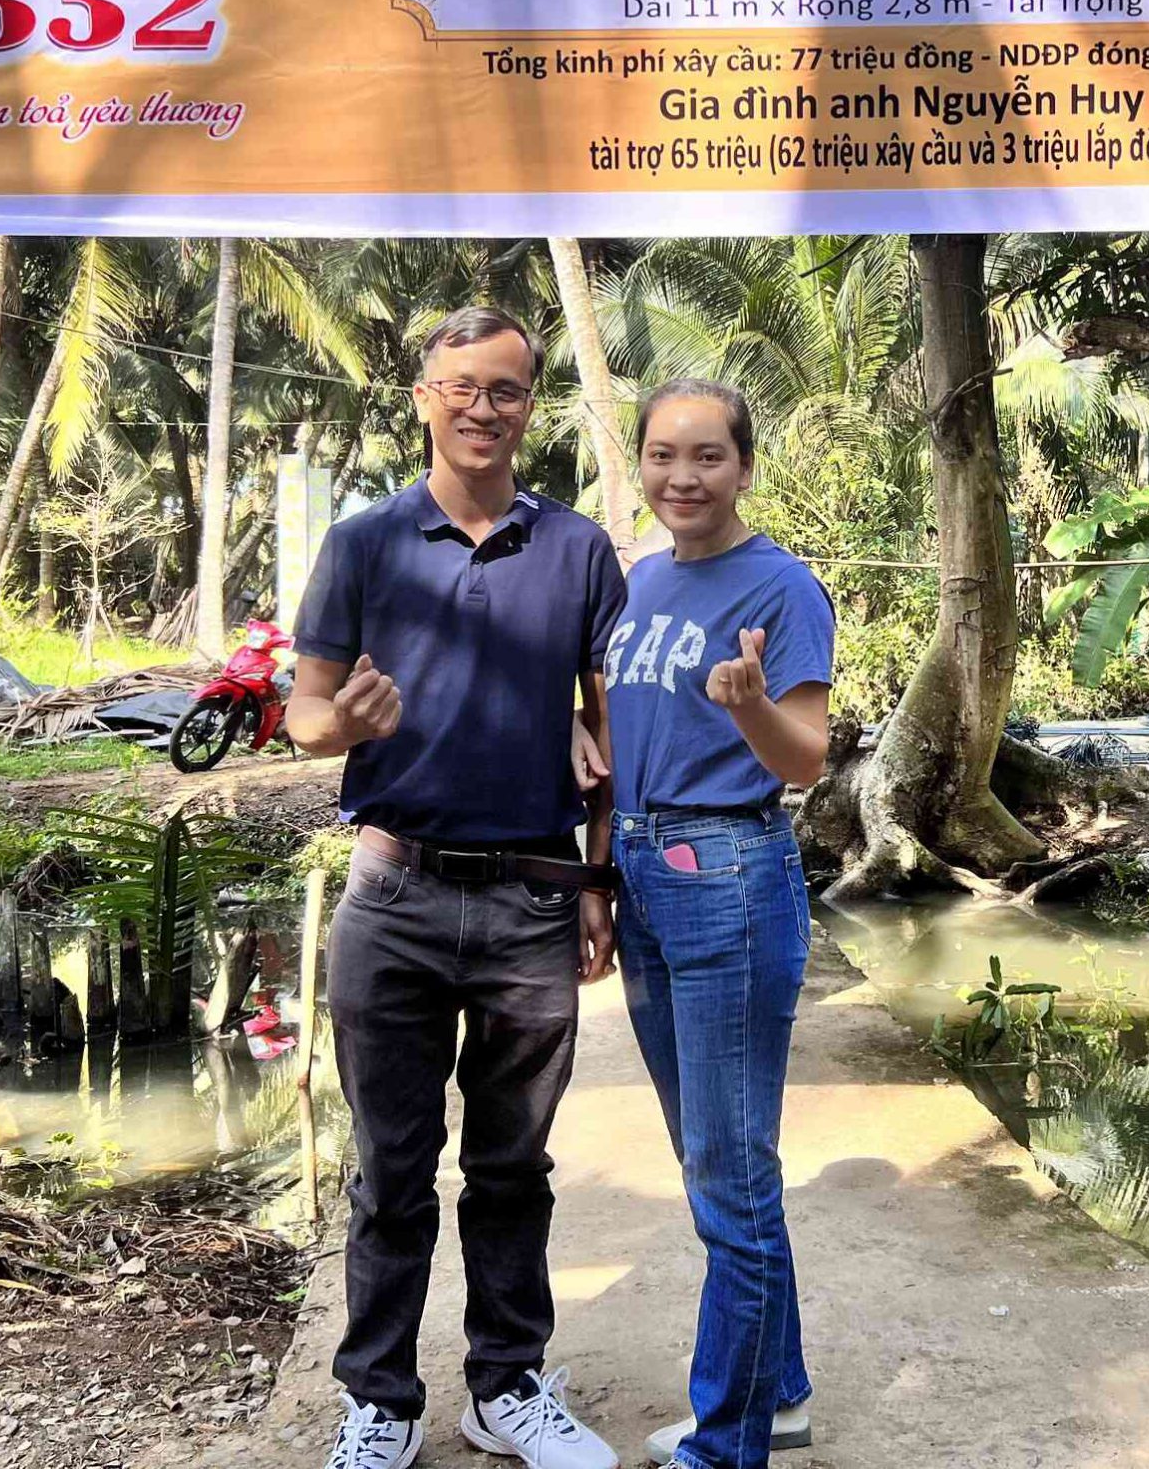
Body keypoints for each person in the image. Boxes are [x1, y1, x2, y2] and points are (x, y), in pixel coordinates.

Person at [286, 306, 627, 1469]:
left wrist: (598, 874)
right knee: (390, 1171)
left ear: (531, 405)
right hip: (394, 895)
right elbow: (303, 714)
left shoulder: (578, 550)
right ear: (423, 398)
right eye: (462, 386)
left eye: (507, 389)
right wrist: (343, 724)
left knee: (511, 1167)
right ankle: (381, 1402)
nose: (484, 408)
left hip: (532, 900)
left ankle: (505, 1386)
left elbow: (610, 723)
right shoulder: (363, 544)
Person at [587, 379, 834, 1469]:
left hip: (728, 872)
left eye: (707, 457)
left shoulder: (782, 586)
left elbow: (805, 760)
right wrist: (597, 878)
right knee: (713, 1164)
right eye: (662, 455)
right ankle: (777, 1396)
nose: (681, 477)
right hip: (645, 871)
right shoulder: (641, 581)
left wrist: (749, 706)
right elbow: (612, 736)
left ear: (744, 467)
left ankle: (726, 1446)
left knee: (731, 1175)